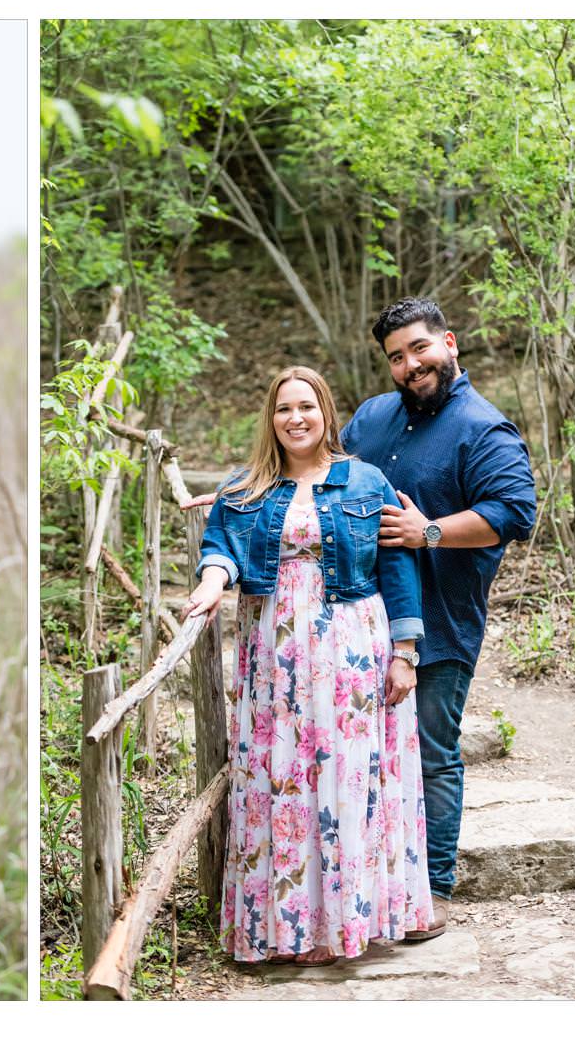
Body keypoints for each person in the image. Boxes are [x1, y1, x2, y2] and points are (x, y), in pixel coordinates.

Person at [184, 366, 434, 965]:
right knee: (286, 778)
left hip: (352, 645)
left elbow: (395, 568)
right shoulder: (245, 489)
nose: (295, 418)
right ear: (270, 420)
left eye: (306, 406)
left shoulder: (367, 482)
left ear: (325, 412)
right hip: (275, 650)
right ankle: (293, 926)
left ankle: (349, 923)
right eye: (282, 409)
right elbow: (220, 546)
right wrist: (214, 581)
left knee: (347, 776)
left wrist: (404, 654)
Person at [342, 297, 538, 936]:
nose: (409, 365)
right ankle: (372, 876)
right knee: (361, 750)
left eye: (419, 349)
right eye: (396, 357)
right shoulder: (371, 418)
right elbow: (318, 475)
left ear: (449, 343)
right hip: (354, 620)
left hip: (441, 620)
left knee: (431, 750)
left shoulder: (483, 429)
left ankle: (435, 885)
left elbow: (513, 512)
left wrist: (428, 531)